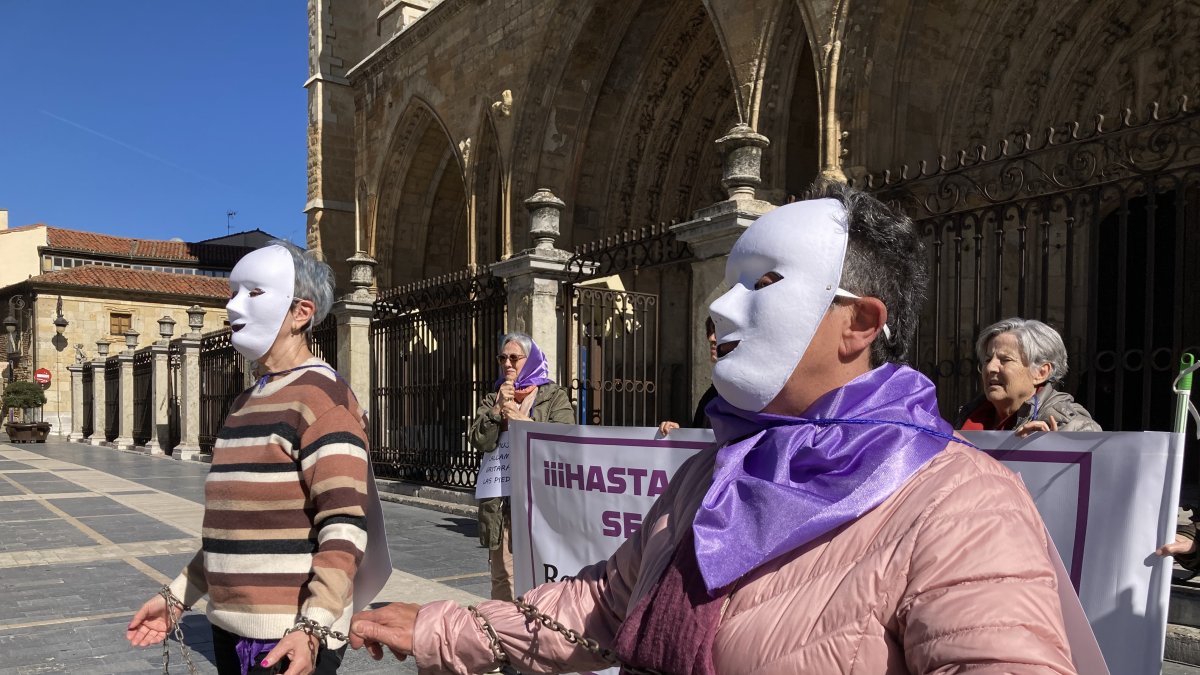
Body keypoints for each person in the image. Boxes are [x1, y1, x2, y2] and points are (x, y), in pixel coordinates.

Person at [347, 182, 1086, 673]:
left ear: (859, 323)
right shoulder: (718, 469)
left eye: (762, 282)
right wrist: (444, 628)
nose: (719, 309)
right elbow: (603, 602)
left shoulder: (961, 504)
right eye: (726, 282)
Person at [126, 242, 384, 675]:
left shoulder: (324, 399)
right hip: (230, 627)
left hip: (289, 636)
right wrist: (177, 598)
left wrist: (313, 626)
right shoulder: (246, 400)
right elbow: (233, 531)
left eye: (254, 293)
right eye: (233, 293)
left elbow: (344, 525)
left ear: (301, 313)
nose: (233, 307)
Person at [469, 332, 573, 601]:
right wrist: (495, 412)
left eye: (514, 357)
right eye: (502, 358)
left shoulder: (553, 396)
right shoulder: (492, 398)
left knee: (541, 573)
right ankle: (503, 632)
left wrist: (522, 422)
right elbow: (479, 441)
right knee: (503, 573)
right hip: (502, 500)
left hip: (541, 500)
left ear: (531, 360)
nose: (507, 364)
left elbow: (565, 438)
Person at [955, 317, 1101, 436]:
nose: (990, 368)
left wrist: (1053, 451)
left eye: (1005, 360)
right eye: (987, 360)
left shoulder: (1072, 426)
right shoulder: (969, 417)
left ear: (1041, 373)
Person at [659, 316, 719, 436]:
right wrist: (677, 433)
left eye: (718, 332)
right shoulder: (712, 394)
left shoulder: (743, 396)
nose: (711, 338)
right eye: (710, 332)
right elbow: (699, 438)